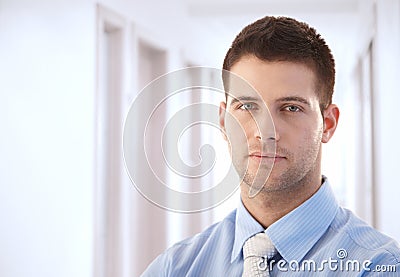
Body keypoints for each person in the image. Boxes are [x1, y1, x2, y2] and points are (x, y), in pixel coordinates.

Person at [141, 16, 400, 276]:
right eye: (246, 106)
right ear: (223, 121)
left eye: (291, 108)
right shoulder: (174, 268)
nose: (265, 132)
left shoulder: (380, 267)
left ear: (328, 124)